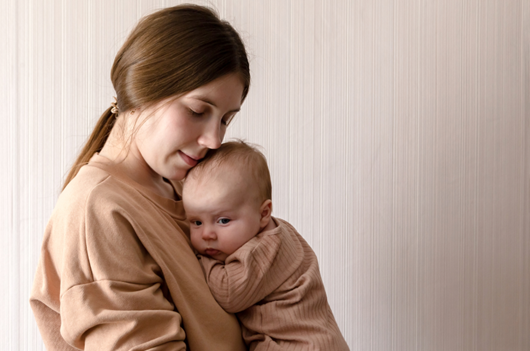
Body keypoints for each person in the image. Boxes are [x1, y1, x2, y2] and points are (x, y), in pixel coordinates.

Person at [30, 5, 250, 350]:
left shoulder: (187, 191)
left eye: (226, 119)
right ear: (142, 90)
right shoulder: (97, 208)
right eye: (197, 111)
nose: (215, 140)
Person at [182, 141, 350, 351]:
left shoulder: (265, 248)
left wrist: (195, 258)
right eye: (196, 222)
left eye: (223, 220)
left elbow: (228, 293)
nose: (206, 234)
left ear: (263, 214)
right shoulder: (278, 231)